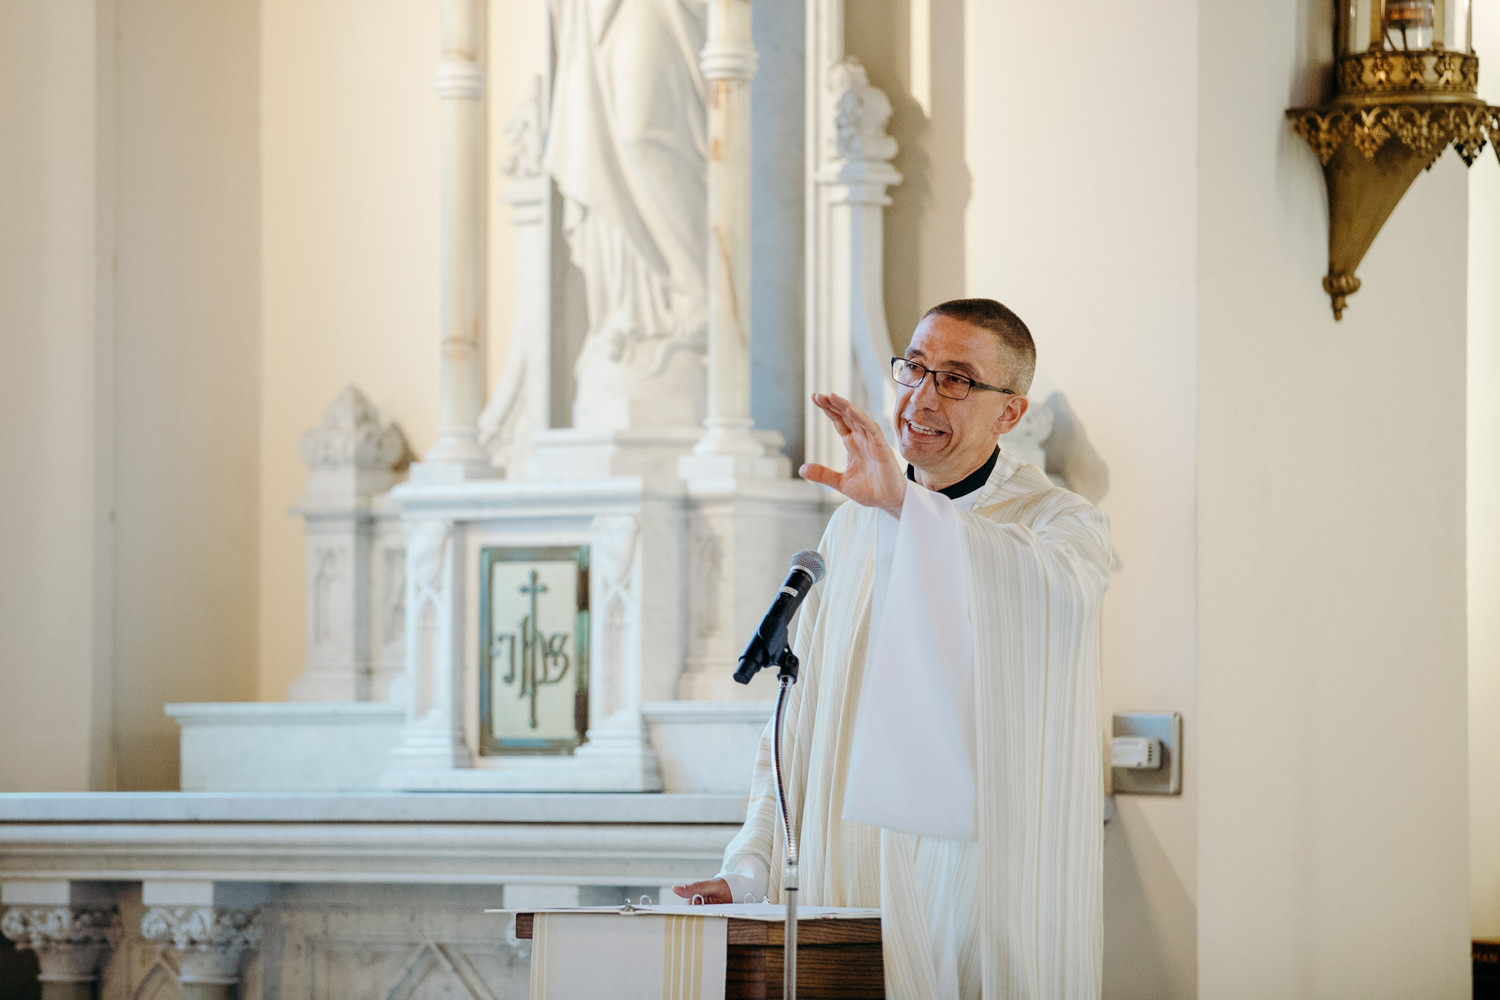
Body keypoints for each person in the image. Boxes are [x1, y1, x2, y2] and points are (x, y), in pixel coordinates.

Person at [673, 298, 1112, 1000]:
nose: (923, 395)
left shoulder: (1059, 524)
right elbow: (795, 721)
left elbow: (1046, 592)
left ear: (1010, 412)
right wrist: (752, 861)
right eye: (915, 367)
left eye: (958, 378)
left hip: (976, 892)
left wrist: (908, 511)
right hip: (843, 883)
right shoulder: (851, 529)